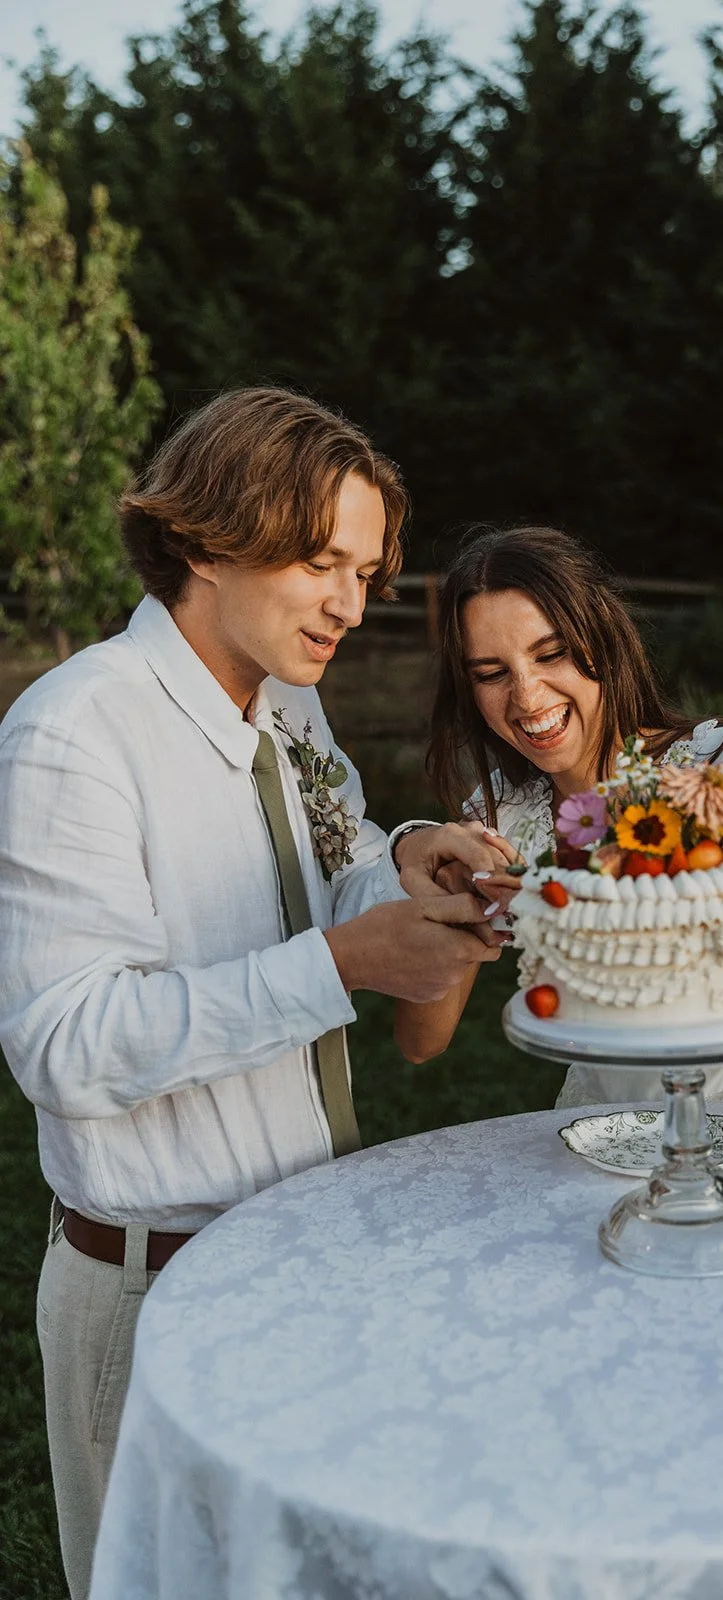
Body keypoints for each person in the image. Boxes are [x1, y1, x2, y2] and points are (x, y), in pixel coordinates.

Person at [0, 387, 510, 1600]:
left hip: (304, 1252)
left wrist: (402, 857)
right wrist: (343, 967)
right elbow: (65, 1043)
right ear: (204, 538)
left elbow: (325, 868)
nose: (348, 601)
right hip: (155, 1289)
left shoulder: (286, 703)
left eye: (367, 570)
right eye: (317, 560)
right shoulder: (74, 735)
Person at [417, 524, 723, 1108]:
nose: (527, 697)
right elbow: (423, 1042)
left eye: (550, 653)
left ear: (602, 643)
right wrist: (441, 904)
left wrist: (600, 911)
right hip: (608, 1121)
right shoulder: (502, 821)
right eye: (491, 673)